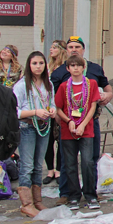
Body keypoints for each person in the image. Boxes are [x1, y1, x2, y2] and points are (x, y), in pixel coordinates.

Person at [50, 36, 113, 206]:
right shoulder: (59, 74)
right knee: (67, 161)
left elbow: (107, 90)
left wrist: (107, 95)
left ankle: (90, 192)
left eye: (77, 46)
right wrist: (62, 119)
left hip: (89, 123)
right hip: (66, 124)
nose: (74, 49)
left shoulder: (94, 71)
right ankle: (69, 193)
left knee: (89, 159)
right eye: (70, 46)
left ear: (83, 50)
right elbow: (54, 100)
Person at [54, 55, 100, 210]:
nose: (75, 68)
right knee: (70, 163)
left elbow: (93, 106)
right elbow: (58, 108)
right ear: (68, 68)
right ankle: (74, 196)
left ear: (83, 68)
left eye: (78, 65)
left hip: (86, 129)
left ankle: (90, 195)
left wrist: (83, 124)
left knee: (87, 162)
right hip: (69, 130)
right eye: (72, 65)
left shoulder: (91, 84)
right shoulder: (63, 87)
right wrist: (69, 121)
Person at [13, 52, 56, 217]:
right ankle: (27, 203)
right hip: (27, 127)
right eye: (34, 63)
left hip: (43, 126)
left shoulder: (48, 84)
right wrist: (34, 112)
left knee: (39, 165)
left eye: (41, 63)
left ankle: (37, 200)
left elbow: (52, 103)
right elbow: (14, 111)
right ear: (29, 66)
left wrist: (52, 110)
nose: (38, 66)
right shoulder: (22, 85)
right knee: (27, 165)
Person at [43, 40, 67, 185]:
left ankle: (58, 170)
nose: (51, 50)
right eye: (50, 47)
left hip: (61, 108)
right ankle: (50, 170)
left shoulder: (65, 68)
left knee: (61, 140)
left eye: (54, 48)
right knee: (48, 140)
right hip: (47, 108)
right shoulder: (47, 67)